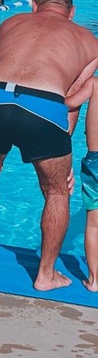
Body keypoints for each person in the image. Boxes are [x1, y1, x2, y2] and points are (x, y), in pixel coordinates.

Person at [0, 0, 98, 290]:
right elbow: (70, 100)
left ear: (33, 5)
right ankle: (46, 274)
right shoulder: (89, 41)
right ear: (72, 11)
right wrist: (63, 149)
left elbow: (2, 64)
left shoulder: (9, 23)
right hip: (45, 104)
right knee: (55, 192)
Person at [79, 79, 98, 290]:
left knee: (94, 224)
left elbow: (68, 102)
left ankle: (94, 280)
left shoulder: (93, 84)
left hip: (96, 163)